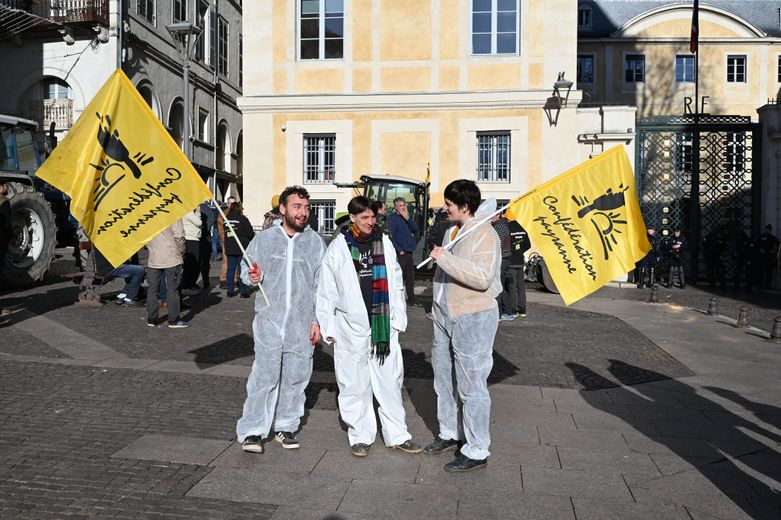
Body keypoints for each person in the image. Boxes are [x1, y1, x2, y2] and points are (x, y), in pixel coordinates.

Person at [317, 195, 422, 458]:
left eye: (372, 217)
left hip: (382, 325)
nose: (369, 222)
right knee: (354, 383)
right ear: (352, 218)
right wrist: (327, 325)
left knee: (390, 382)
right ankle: (360, 435)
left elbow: (396, 281)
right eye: (364, 218)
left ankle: (397, 434)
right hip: (350, 327)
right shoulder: (339, 247)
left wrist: (398, 318)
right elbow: (326, 290)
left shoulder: (382, 242)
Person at [236, 186, 326, 454]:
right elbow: (246, 270)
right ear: (283, 209)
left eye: (306, 207)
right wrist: (251, 277)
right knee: (264, 377)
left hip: (302, 323)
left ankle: (286, 425)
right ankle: (252, 430)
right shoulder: (264, 240)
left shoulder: (315, 242)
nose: (303, 212)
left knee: (297, 377)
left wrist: (317, 321)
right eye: (297, 207)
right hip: (269, 322)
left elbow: (321, 285)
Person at [426, 179, 501, 473]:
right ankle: (449, 433)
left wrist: (445, 259)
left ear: (465, 205)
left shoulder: (485, 234)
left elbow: (482, 278)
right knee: (444, 379)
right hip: (444, 316)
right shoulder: (451, 232)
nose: (445, 208)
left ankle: (477, 448)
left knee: (471, 385)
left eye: (449, 203)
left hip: (473, 317)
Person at [145, 219, 189, 328]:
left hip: (154, 258)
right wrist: (181, 252)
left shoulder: (147, 215)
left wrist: (150, 247)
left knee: (152, 290)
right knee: (173, 289)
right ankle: (173, 320)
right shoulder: (174, 214)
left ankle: (152, 319)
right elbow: (179, 237)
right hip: (171, 257)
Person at [388, 197, 419, 307]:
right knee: (398, 277)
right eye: (400, 205)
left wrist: (407, 219)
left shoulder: (406, 217)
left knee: (410, 277)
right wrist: (398, 249)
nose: (403, 207)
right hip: (401, 253)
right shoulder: (392, 219)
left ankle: (411, 299)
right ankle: (397, 300)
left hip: (409, 251)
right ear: (395, 207)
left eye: (404, 205)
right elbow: (391, 236)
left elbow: (415, 229)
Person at [223, 202, 255, 298]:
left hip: (230, 247)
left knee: (230, 269)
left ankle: (230, 291)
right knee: (242, 269)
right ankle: (243, 290)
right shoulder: (242, 219)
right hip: (241, 247)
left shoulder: (226, 219)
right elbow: (250, 233)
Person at [507, 219, 531, 317]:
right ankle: (522, 310)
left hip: (511, 262)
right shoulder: (522, 228)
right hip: (520, 261)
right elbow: (528, 245)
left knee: (512, 287)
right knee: (521, 287)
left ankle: (513, 310)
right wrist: (520, 251)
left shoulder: (507, 229)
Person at [491, 213, 513, 321]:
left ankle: (499, 314)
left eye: (492, 215)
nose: (490, 217)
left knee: (498, 286)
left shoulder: (499, 226)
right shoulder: (502, 225)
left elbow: (497, 245)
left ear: (498, 215)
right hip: (505, 258)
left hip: (502, 259)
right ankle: (508, 311)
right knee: (502, 286)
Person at [181, 207, 202, 296]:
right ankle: (186, 285)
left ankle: (189, 283)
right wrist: (198, 212)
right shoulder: (188, 212)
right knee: (192, 263)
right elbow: (199, 222)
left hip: (192, 238)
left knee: (194, 263)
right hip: (191, 239)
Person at [217, 196, 237, 288]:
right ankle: (223, 279)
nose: (232, 205)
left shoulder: (238, 213)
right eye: (230, 203)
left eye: (234, 203)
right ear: (227, 204)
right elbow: (220, 227)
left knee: (236, 260)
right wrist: (223, 237)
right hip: (227, 239)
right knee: (226, 260)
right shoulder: (223, 214)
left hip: (236, 239)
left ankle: (235, 278)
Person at [756, 224, 779, 289]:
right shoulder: (760, 237)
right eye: (767, 229)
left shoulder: (773, 238)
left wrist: (774, 251)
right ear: (765, 229)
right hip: (761, 256)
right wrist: (760, 249)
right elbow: (756, 244)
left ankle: (768, 284)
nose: (768, 231)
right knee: (760, 270)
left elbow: (778, 245)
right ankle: (759, 284)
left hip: (769, 256)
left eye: (769, 230)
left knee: (769, 271)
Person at [636, 224, 659, 288]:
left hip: (652, 254)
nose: (651, 231)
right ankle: (641, 283)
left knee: (652, 268)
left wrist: (657, 255)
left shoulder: (655, 238)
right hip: (645, 254)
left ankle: (651, 283)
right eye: (649, 229)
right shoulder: (644, 237)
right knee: (643, 268)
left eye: (652, 230)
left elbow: (657, 248)